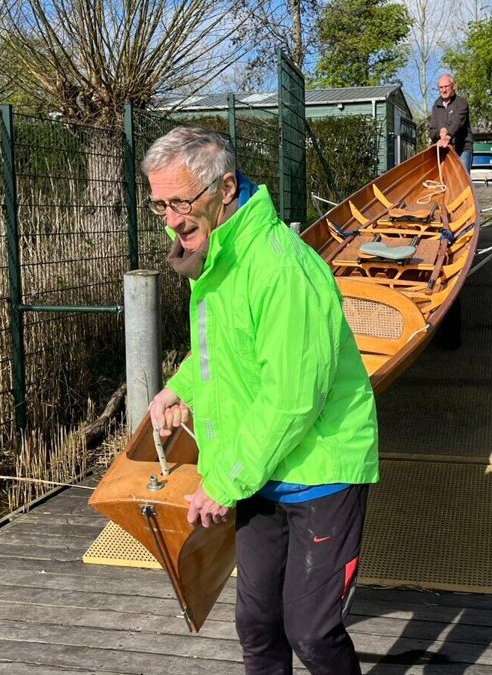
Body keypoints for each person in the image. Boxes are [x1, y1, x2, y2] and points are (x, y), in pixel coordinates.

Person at [142, 126, 380, 675]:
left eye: (181, 202)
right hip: (257, 470)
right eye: (160, 205)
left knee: (313, 634)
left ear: (225, 189)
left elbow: (292, 400)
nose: (173, 219)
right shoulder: (219, 256)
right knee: (257, 625)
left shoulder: (278, 267)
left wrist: (223, 482)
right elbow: (218, 354)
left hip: (320, 469)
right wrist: (181, 388)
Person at [429, 74, 473, 171]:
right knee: (443, 182)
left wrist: (448, 135)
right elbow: (432, 131)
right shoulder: (435, 107)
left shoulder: (461, 103)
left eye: (446, 87)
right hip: (443, 151)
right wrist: (440, 133)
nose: (443, 90)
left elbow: (458, 122)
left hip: (462, 149)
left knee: (462, 182)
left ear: (453, 87)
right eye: (441, 87)